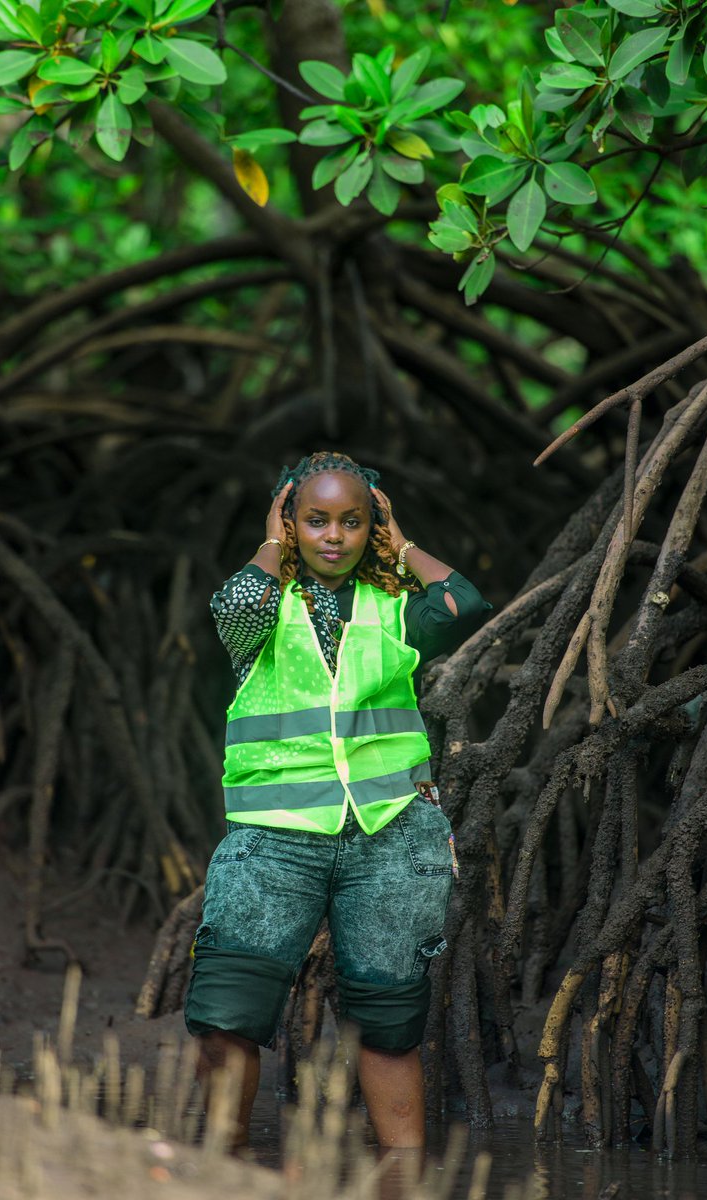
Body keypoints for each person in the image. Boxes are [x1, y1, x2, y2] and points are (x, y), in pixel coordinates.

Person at [184, 450, 489, 1153]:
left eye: (350, 521)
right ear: (290, 523)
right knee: (226, 1010)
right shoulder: (265, 609)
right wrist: (270, 540)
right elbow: (232, 603)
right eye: (315, 519)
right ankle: (217, 1171)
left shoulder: (394, 611)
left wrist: (399, 540)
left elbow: (463, 604)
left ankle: (401, 1178)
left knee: (388, 1021)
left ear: (369, 528)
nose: (332, 535)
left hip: (390, 835)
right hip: (274, 837)